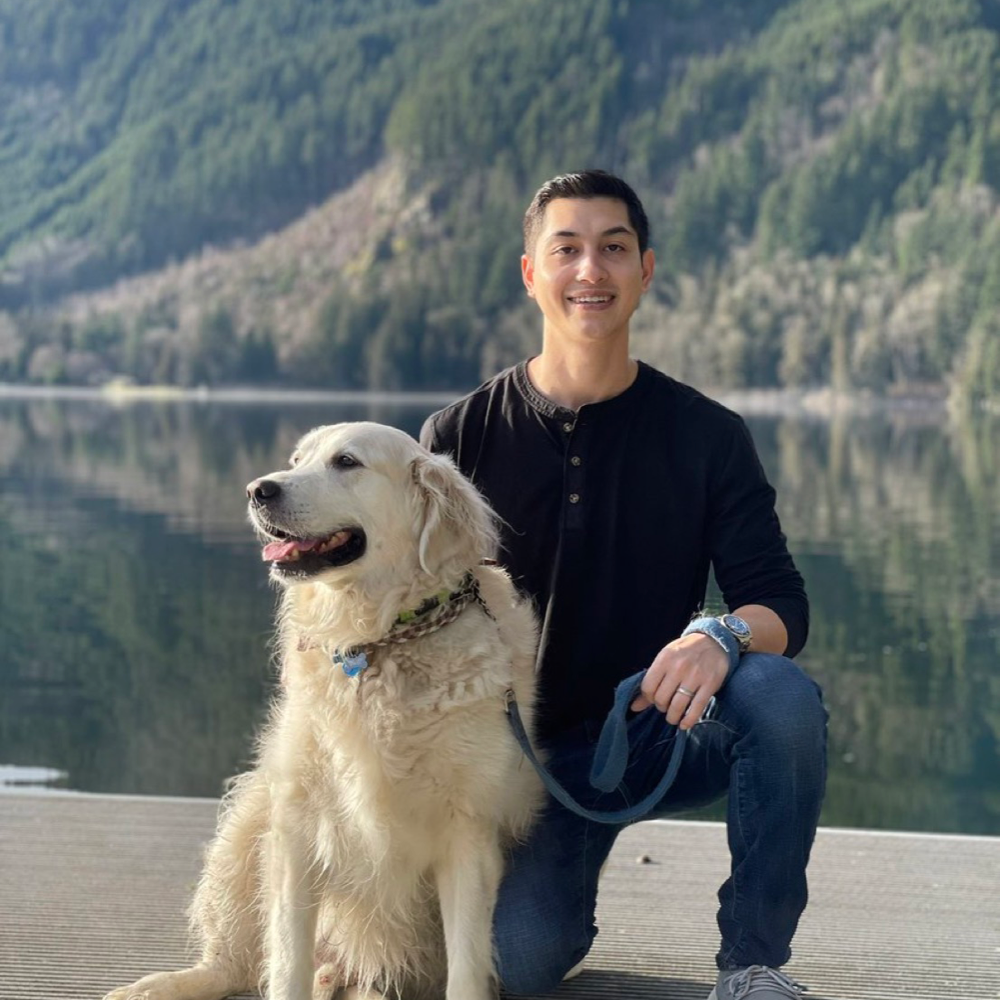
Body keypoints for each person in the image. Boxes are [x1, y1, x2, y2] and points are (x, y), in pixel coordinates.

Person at [419, 170, 827, 1000]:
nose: (590, 271)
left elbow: (780, 602)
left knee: (780, 700)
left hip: (655, 731)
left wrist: (721, 636)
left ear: (646, 269)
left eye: (613, 248)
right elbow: (410, 615)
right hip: (513, 765)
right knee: (519, 964)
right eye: (566, 249)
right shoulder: (456, 437)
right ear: (531, 273)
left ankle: (751, 967)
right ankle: (551, 888)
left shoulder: (709, 437)